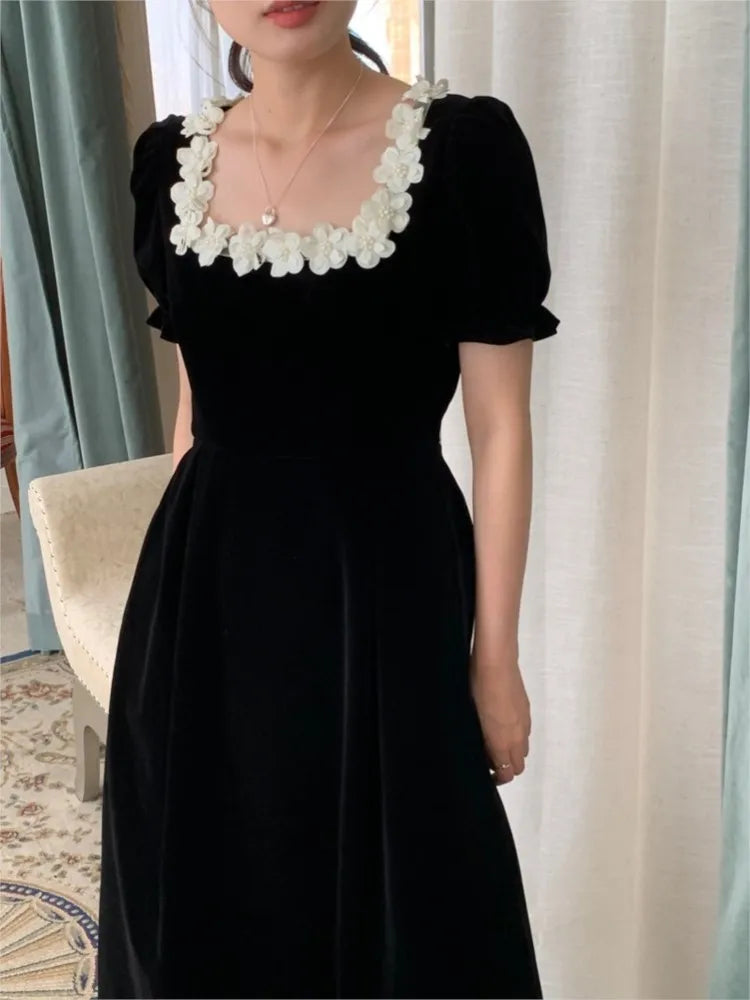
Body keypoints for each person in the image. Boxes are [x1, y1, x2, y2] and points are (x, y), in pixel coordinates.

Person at [96, 1, 560, 997]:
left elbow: (501, 430)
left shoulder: (461, 154)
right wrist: (170, 626)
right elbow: (194, 412)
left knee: (408, 905)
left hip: (384, 592)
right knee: (212, 894)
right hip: (207, 601)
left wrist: (495, 658)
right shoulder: (171, 164)